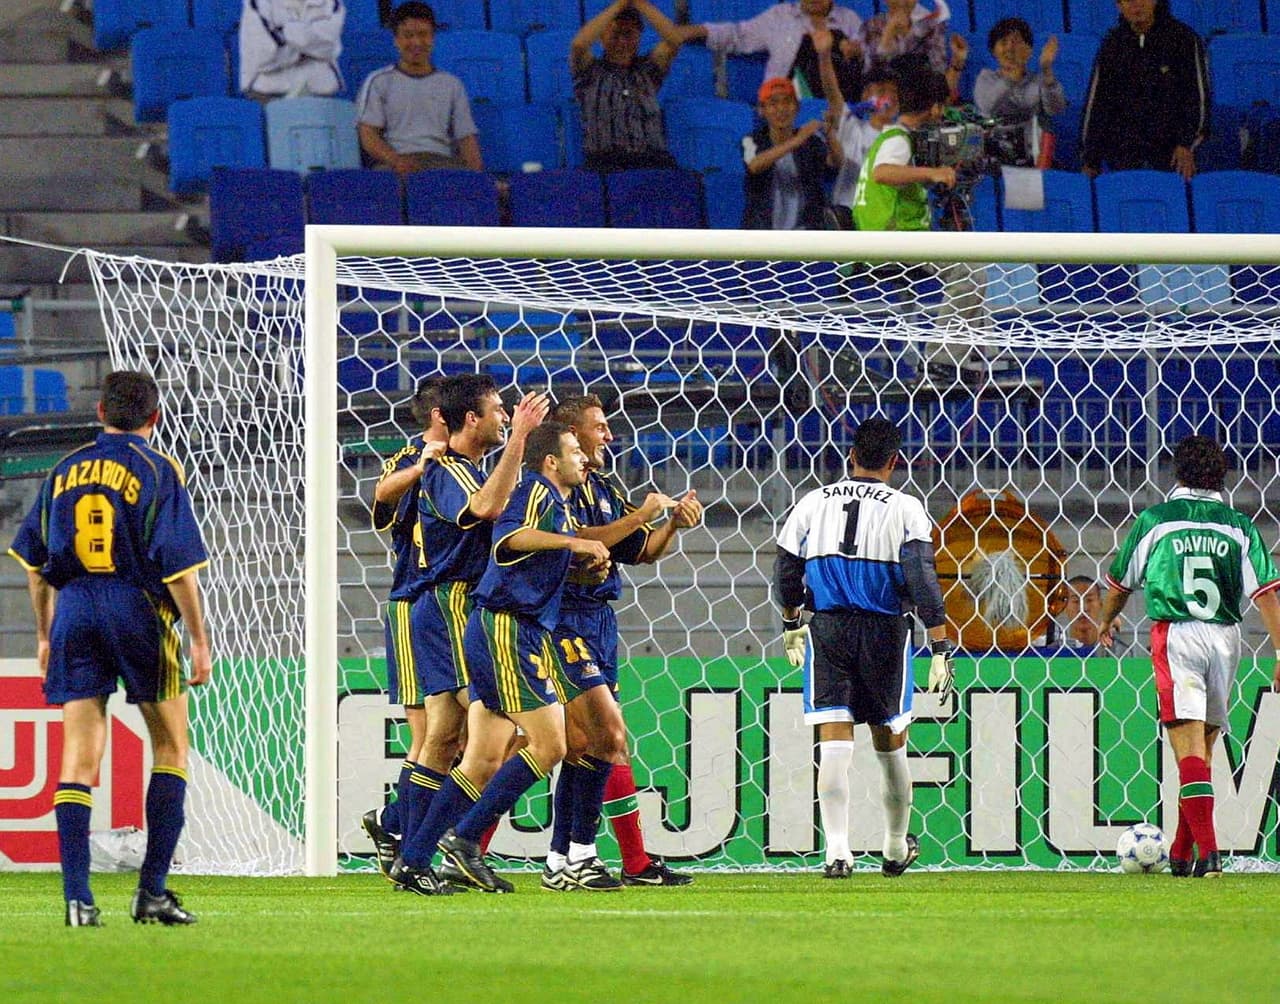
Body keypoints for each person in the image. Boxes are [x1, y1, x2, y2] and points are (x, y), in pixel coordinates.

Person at [6, 371, 212, 927]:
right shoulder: (158, 468)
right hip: (137, 608)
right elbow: (178, 569)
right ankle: (152, 893)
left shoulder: (64, 469)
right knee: (170, 747)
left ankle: (78, 899)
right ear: (156, 418)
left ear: (99, 412)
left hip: (74, 608)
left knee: (78, 757)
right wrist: (198, 640)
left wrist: (44, 633)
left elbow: (35, 566)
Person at [393, 423, 612, 894]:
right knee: (551, 745)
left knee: (483, 758)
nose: (584, 459)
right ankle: (465, 838)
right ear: (551, 461)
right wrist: (573, 544)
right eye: (575, 451)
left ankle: (413, 861)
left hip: (506, 628)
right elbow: (509, 538)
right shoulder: (535, 490)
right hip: (508, 630)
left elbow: (532, 562)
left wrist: (581, 567)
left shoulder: (559, 504)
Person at [384, 374, 549, 894]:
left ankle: (411, 855)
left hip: (452, 605)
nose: (504, 415)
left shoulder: (469, 468)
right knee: (496, 732)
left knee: (444, 737)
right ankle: (440, 845)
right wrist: (521, 437)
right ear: (470, 418)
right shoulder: (447, 468)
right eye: (498, 409)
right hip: (452, 603)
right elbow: (486, 509)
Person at [774, 417, 955, 879]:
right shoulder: (907, 508)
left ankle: (837, 852)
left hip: (829, 628)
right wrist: (939, 645)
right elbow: (922, 578)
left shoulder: (812, 502)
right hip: (885, 633)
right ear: (895, 461)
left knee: (834, 742)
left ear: (850, 456)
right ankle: (894, 847)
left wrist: (792, 622)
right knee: (890, 745)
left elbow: (787, 570)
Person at [1097, 435, 1280, 878]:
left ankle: (1211, 855)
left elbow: (1120, 584)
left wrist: (1106, 619)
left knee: (1189, 751)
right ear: (1222, 476)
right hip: (1226, 638)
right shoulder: (1238, 525)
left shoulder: (1156, 520)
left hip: (1177, 634)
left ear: (1176, 472)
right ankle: (1182, 854)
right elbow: (1267, 595)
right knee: (1202, 752)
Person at [542, 395, 703, 890]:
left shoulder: (605, 486)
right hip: (562, 618)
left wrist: (671, 524)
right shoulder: (551, 489)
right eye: (599, 427)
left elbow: (642, 551)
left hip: (599, 621)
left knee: (586, 744)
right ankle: (583, 855)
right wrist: (641, 515)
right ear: (572, 434)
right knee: (597, 738)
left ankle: (564, 858)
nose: (609, 436)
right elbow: (575, 537)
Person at [359, 378, 448, 876]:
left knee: (455, 736)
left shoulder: (472, 464)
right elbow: (381, 494)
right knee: (430, 734)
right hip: (414, 603)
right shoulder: (411, 457)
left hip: (455, 606)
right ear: (440, 414)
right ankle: (410, 845)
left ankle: (394, 824)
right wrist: (421, 466)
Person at [851, 64, 987, 385]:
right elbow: (883, 173)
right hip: (891, 240)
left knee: (976, 261)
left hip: (898, 239)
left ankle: (972, 354)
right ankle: (942, 359)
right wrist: (932, 173)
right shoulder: (899, 139)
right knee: (969, 271)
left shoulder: (899, 137)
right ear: (935, 108)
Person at [1079, 0, 1210, 181]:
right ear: (1119, 6)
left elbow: (1198, 99)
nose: (1136, 4)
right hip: (1124, 156)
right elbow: (1097, 106)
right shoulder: (1111, 45)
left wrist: (1185, 144)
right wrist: (1090, 160)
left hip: (1173, 155)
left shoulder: (1184, 39)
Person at [356, 2, 484, 174]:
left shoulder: (452, 84)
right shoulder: (378, 81)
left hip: (443, 165)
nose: (416, 42)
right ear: (396, 40)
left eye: (423, 34)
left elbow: (466, 139)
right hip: (395, 165)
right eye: (408, 35)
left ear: (433, 38)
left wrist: (478, 179)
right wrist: (396, 160)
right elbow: (368, 134)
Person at [571, 0, 687, 173]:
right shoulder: (590, 71)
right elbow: (579, 45)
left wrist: (640, 3)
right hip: (606, 166)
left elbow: (675, 41)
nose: (622, 41)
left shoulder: (648, 70)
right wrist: (620, 4)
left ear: (639, 37)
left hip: (652, 164)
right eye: (615, 33)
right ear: (601, 36)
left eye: (629, 34)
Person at [679, 1, 865, 103]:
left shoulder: (850, 21)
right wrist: (691, 32)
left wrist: (859, 52)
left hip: (838, 109)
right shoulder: (779, 16)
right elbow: (737, 35)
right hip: (784, 109)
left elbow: (869, 61)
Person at [742, 72, 840, 230]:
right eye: (773, 103)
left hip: (806, 234)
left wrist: (830, 135)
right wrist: (797, 140)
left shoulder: (811, 142)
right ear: (762, 110)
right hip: (763, 234)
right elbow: (754, 165)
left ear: (797, 107)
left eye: (787, 102)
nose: (781, 109)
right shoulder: (751, 140)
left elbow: (835, 164)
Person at [973, 17, 1065, 168]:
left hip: (1032, 160)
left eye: (1016, 42)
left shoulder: (1037, 80)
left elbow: (1056, 109)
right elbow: (988, 106)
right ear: (993, 50)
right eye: (1003, 43)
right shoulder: (986, 78)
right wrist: (1013, 76)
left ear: (1029, 50)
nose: (1010, 48)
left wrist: (1047, 70)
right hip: (992, 160)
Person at [239, 0, 346, 101]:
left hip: (320, 93)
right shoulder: (258, 2)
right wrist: (310, 49)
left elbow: (329, 47)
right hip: (269, 93)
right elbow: (263, 57)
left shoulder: (331, 2)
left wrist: (284, 32)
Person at [858, 0, 964, 98]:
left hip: (919, 101)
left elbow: (940, 82)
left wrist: (958, 59)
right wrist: (888, 34)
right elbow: (872, 76)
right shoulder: (869, 27)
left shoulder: (931, 27)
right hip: (884, 102)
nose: (903, 2)